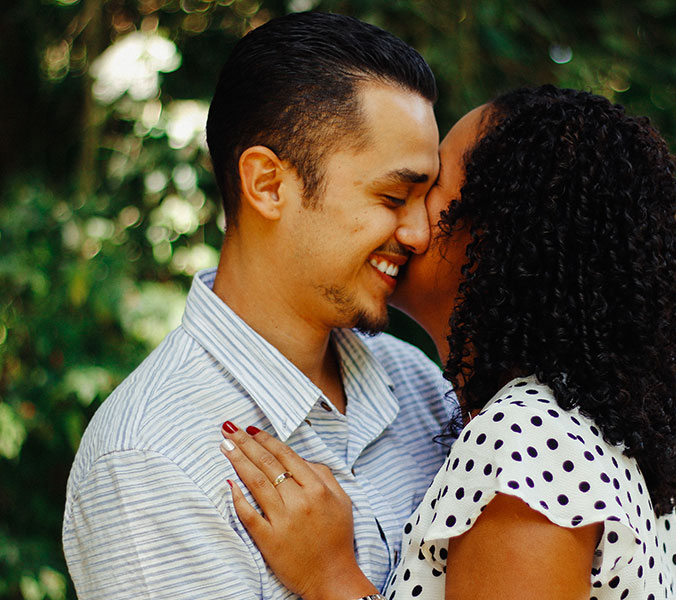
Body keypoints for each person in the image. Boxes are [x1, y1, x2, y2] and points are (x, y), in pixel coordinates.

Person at [220, 85, 676, 599]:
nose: (405, 221)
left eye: (430, 189)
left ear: (499, 235)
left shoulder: (529, 450)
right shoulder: (571, 422)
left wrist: (330, 576)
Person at [62, 12, 454, 599]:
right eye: (395, 196)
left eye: (426, 198)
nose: (421, 234)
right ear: (268, 184)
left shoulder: (421, 387)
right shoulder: (150, 462)